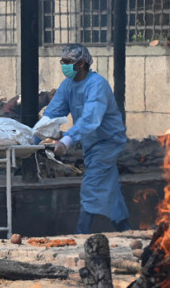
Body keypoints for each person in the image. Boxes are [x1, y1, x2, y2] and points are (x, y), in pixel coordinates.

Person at [44, 44, 130, 234]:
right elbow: (52, 113)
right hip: (91, 144)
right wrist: (34, 135)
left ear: (81, 63)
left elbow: (92, 118)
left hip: (107, 142)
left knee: (91, 186)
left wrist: (67, 140)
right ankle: (126, 231)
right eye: (62, 62)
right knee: (110, 191)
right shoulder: (68, 85)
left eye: (67, 62)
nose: (63, 66)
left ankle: (81, 235)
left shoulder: (97, 84)